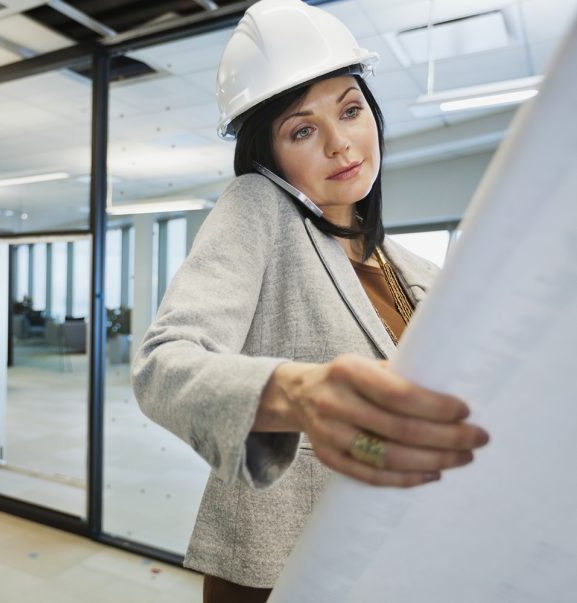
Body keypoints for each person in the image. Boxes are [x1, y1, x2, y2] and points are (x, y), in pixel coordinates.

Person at [130, 1, 491, 601]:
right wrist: (297, 394)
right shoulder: (259, 207)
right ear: (268, 157)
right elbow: (162, 367)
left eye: (351, 111)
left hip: (393, 557)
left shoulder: (414, 271)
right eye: (303, 129)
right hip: (282, 570)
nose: (340, 143)